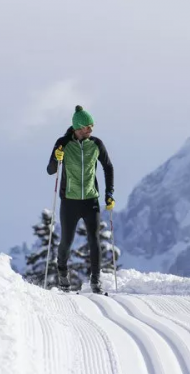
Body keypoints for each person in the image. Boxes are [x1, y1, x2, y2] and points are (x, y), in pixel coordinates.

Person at [46, 105, 115, 294]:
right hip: (69, 201)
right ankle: (63, 275)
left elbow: (108, 167)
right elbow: (51, 170)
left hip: (91, 200)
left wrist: (109, 194)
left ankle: (96, 281)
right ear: (77, 127)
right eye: (87, 127)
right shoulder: (63, 143)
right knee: (66, 242)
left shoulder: (96, 144)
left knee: (94, 240)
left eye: (92, 126)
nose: (91, 130)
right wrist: (56, 158)